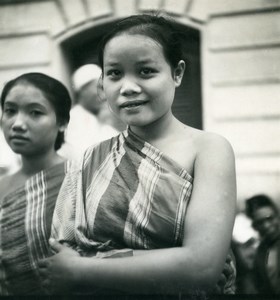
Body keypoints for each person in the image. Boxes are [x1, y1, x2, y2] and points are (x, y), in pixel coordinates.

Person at [38, 14, 237, 296]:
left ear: (177, 73)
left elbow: (202, 266)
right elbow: (60, 257)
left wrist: (85, 268)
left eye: (145, 71)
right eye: (115, 74)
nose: (127, 87)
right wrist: (166, 260)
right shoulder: (89, 160)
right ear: (103, 83)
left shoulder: (209, 149)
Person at [0, 72, 72, 295]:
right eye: (10, 111)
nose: (18, 124)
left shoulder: (79, 178)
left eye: (35, 113)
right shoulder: (2, 186)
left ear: (62, 122)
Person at [59, 64, 119, 160]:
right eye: (99, 88)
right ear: (83, 90)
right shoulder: (72, 119)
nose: (102, 94)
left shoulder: (106, 118)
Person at [245, 194, 280, 294]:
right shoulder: (261, 251)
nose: (266, 225)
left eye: (269, 218)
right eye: (260, 222)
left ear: (277, 215)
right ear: (255, 226)